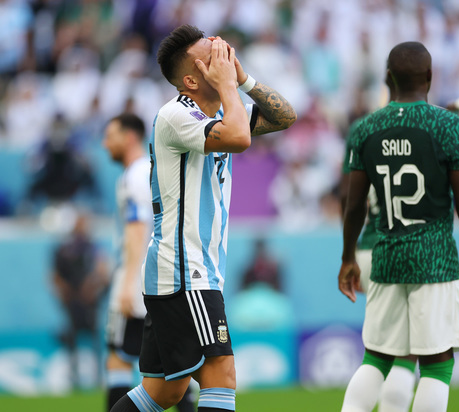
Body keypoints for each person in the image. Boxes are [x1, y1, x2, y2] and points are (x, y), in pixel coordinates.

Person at [110, 24, 296, 412]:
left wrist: (243, 79)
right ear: (192, 79)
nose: (222, 59)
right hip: (184, 269)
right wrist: (229, 85)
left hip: (189, 269)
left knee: (165, 392)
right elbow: (240, 139)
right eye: (210, 57)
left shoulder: (222, 113)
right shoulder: (175, 114)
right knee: (221, 375)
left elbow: (285, 116)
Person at [338, 41, 459, 412]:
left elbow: (354, 204)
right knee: (436, 365)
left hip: (386, 255)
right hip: (434, 259)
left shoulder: (365, 128)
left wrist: (347, 257)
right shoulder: (447, 124)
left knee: (376, 358)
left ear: (389, 77)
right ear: (429, 76)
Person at [103, 113, 195, 411]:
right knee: (174, 363)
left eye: (110, 136)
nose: (105, 144)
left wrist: (127, 282)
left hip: (138, 275)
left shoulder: (133, 176)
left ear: (130, 137)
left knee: (118, 358)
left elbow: (137, 227)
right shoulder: (153, 169)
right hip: (165, 275)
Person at [51, 213, 109, 389]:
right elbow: (55, 277)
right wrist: (65, 294)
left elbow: (103, 272)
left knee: (94, 339)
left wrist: (92, 288)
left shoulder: (92, 248)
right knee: (72, 339)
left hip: (89, 303)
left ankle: (98, 377)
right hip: (73, 302)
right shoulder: (63, 250)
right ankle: (74, 377)